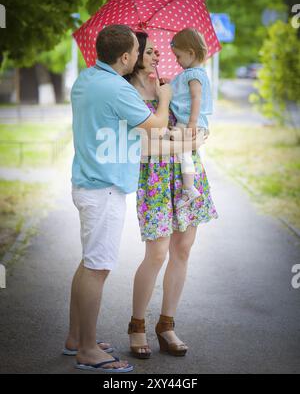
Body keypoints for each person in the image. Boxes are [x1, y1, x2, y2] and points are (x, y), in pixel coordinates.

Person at [64, 24, 172, 373]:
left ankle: (75, 338)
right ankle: (88, 350)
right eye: (137, 53)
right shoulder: (116, 89)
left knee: (87, 264)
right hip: (104, 189)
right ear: (126, 57)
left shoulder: (86, 79)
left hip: (87, 183)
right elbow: (155, 123)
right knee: (98, 268)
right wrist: (165, 96)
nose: (140, 57)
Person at [126, 31, 218, 359]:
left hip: (186, 172)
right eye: (149, 51)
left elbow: (197, 121)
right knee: (157, 253)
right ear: (133, 56)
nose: (157, 56)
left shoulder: (168, 83)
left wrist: (189, 133)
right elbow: (146, 145)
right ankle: (137, 325)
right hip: (154, 176)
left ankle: (166, 325)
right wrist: (189, 142)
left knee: (183, 249)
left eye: (156, 51)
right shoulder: (129, 92)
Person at [169, 28, 213, 209]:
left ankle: (189, 189)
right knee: (184, 151)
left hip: (189, 121)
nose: (176, 61)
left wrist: (192, 122)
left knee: (182, 150)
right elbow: (181, 93)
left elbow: (196, 98)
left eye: (178, 56)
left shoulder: (194, 75)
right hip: (188, 121)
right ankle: (189, 187)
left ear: (191, 53)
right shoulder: (189, 74)